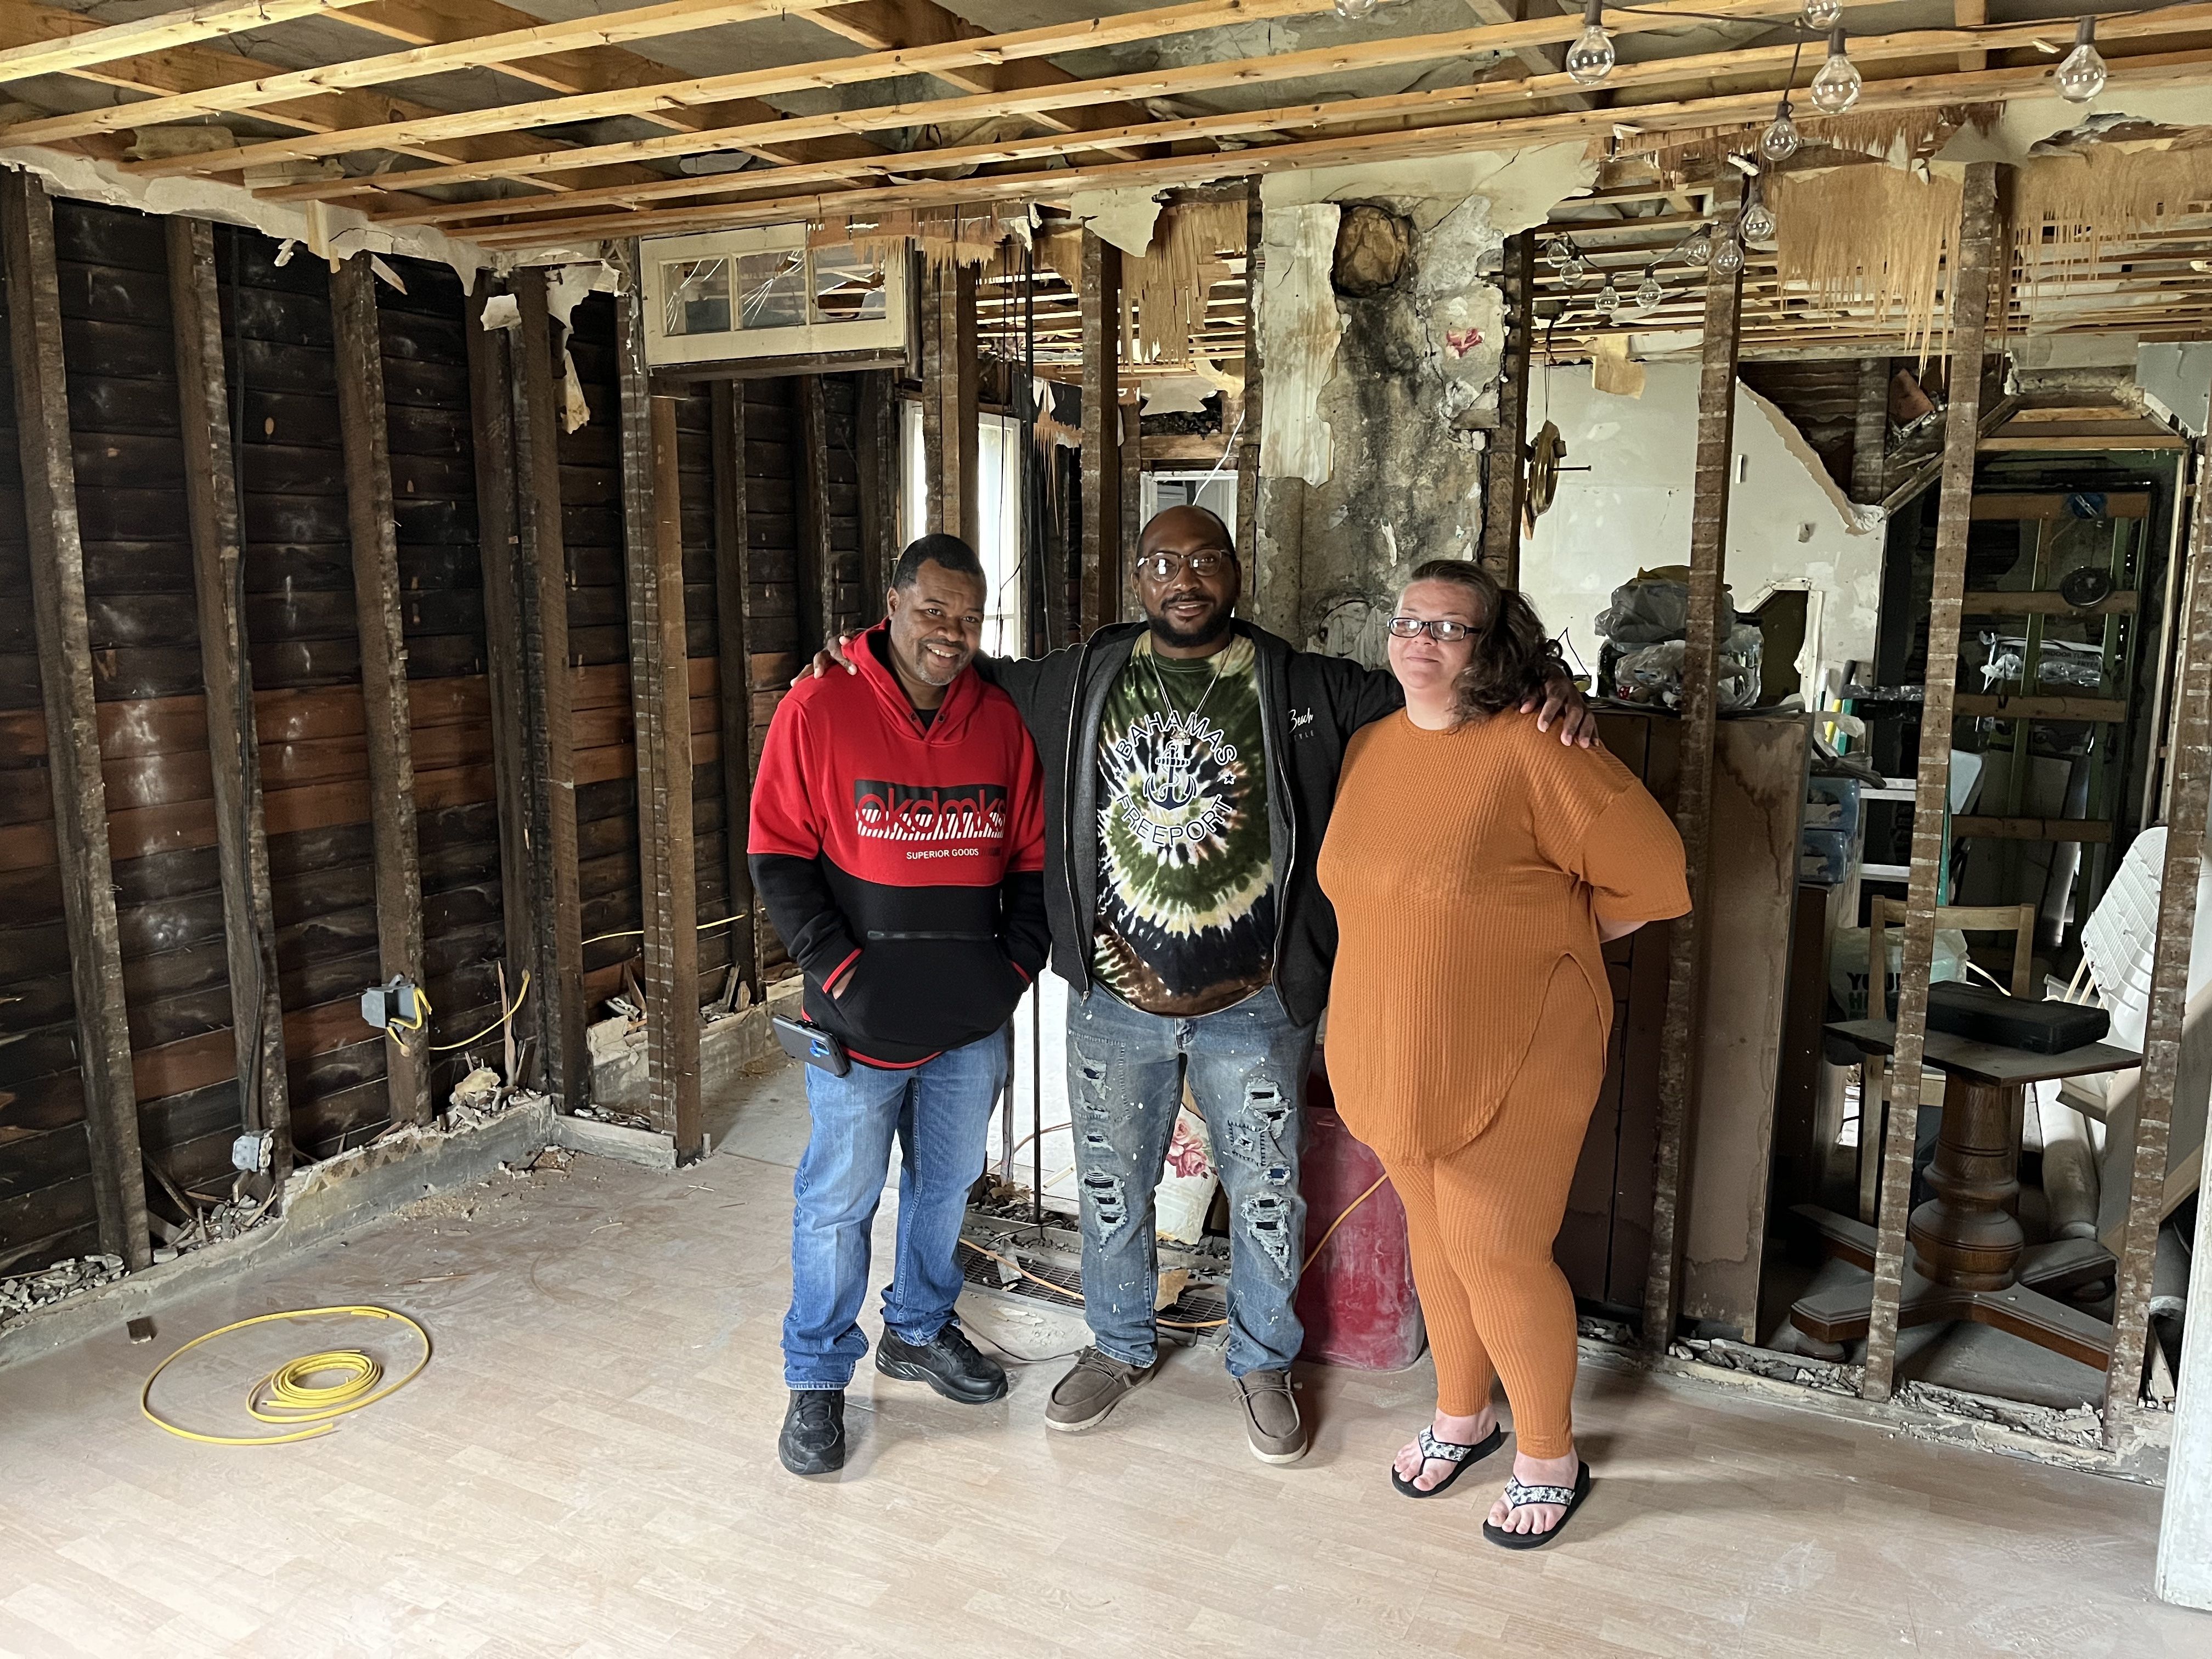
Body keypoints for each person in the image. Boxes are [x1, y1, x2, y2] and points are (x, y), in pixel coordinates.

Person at [804, 507, 1596, 1466]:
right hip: (1112, 1001)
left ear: (1235, 572)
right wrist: (844, 659)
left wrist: (1548, 684)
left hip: (1256, 1005)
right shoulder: (1078, 675)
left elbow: (1442, 682)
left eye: (1206, 560)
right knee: (1110, 1191)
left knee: (1270, 1195)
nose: (1185, 577)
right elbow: (938, 663)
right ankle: (1118, 1345)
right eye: (1162, 563)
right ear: (1138, 579)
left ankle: (1263, 1363)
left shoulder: (1303, 684)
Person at [1317, 558, 1689, 1548]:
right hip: (1396, 1046)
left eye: (1450, 627)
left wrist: (1549, 934)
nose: (1421, 639)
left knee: (1496, 1250)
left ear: (1496, 648)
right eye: (1408, 621)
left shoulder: (1542, 747)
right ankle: (1462, 1414)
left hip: (1517, 1045)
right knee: (1435, 1242)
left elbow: (1655, 877)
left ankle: (1548, 1454)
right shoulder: (1368, 748)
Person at [749, 534, 1051, 1477]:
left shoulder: (1000, 721)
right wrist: (839, 973)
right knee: (838, 1203)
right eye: (934, 612)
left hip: (969, 1027)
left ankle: (918, 1329)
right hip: (857, 1023)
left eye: (969, 618)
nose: (951, 635)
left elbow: (1035, 863)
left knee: (943, 1187)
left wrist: (1010, 973)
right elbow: (777, 857)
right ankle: (816, 1377)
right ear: (892, 604)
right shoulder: (820, 704)